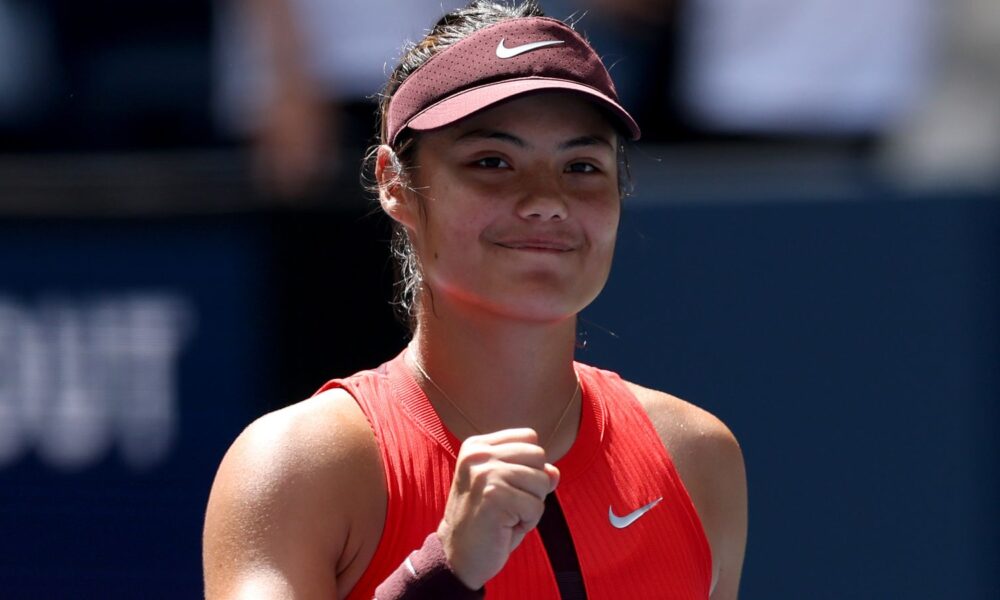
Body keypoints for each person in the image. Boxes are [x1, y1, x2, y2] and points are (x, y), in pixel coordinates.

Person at [202, 2, 747, 598]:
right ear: (394, 184)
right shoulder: (296, 465)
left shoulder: (697, 459)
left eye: (582, 166)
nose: (546, 200)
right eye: (492, 162)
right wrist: (442, 569)